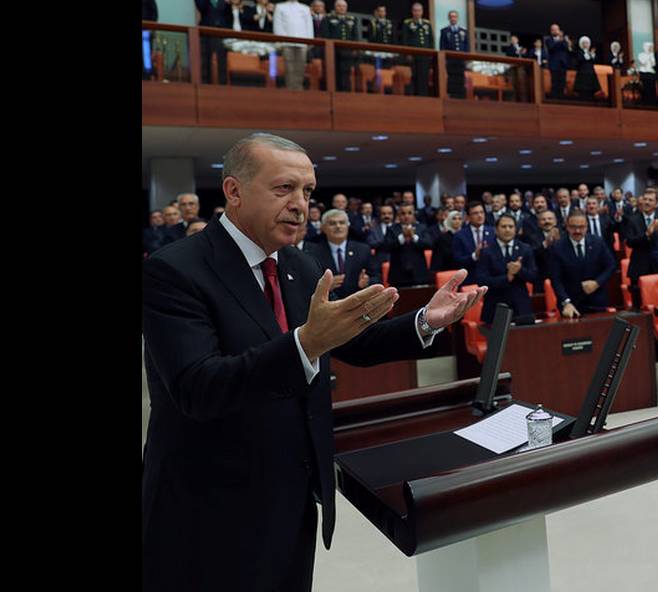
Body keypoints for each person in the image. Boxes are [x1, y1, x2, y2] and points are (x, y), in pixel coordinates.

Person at [141, 133, 484, 592]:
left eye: (307, 192)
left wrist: (425, 321)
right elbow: (198, 387)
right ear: (234, 191)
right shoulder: (174, 271)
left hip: (292, 496)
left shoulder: (298, 266)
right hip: (209, 507)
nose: (301, 204)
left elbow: (353, 341)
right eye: (284, 189)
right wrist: (304, 345)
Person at [548, 210, 617, 317]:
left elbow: (611, 266)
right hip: (571, 304)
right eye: (573, 227)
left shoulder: (597, 242)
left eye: (581, 227)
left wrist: (597, 283)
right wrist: (566, 302)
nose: (577, 230)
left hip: (597, 300)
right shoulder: (557, 247)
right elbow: (555, 279)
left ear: (587, 226)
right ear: (567, 226)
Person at [475, 214, 539, 323]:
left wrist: (520, 270)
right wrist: (506, 278)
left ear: (515, 229)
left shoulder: (525, 249)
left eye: (511, 226)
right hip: (495, 308)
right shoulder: (486, 252)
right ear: (496, 230)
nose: (507, 230)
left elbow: (534, 277)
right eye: (503, 227)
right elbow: (481, 281)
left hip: (521, 308)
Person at [308, 209, 378, 300]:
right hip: (328, 306)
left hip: (357, 304)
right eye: (332, 223)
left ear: (348, 226)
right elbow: (307, 283)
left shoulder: (363, 250)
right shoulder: (312, 253)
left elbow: (377, 278)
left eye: (342, 223)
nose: (338, 226)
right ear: (323, 228)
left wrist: (367, 282)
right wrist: (324, 287)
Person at [623, 190, 658, 309]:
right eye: (645, 199)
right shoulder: (632, 220)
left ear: (656, 204)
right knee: (638, 305)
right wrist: (646, 235)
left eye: (650, 200)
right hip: (639, 266)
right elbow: (629, 242)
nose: (647, 202)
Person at [272, 0, 312, 90]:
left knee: (301, 67)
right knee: (289, 67)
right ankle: (290, 88)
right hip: (286, 42)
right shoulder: (280, 6)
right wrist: (280, 40)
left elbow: (309, 26)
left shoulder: (305, 8)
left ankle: (298, 88)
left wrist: (310, 41)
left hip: (302, 42)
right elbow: (277, 24)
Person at [384, 204, 433, 286]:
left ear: (414, 215)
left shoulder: (422, 228)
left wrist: (414, 237)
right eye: (403, 213)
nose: (406, 216)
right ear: (398, 216)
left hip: (419, 273)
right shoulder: (392, 229)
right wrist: (402, 237)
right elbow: (386, 247)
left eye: (409, 213)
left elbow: (429, 244)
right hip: (398, 274)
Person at [193, 0, 229, 84]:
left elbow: (226, 15)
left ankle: (221, 83)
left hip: (220, 33)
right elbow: (202, 9)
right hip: (206, 33)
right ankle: (206, 82)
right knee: (206, 58)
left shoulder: (222, 0)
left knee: (221, 59)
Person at [319, 0, 362, 92]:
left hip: (347, 51)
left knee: (346, 73)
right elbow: (325, 35)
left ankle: (346, 93)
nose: (342, 8)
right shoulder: (328, 18)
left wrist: (355, 49)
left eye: (344, 6)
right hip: (333, 50)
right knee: (333, 72)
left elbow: (355, 36)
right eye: (339, 6)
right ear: (335, 7)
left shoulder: (352, 19)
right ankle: (333, 92)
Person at [451, 201, 496, 276]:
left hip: (490, 276)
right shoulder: (459, 235)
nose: (480, 215)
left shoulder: (493, 232)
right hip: (470, 276)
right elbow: (457, 260)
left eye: (482, 212)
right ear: (468, 217)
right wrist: (474, 256)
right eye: (475, 213)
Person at [400, 2, 434, 96]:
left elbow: (431, 40)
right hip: (413, 55)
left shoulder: (427, 24)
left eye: (419, 11)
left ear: (422, 12)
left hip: (425, 55)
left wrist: (431, 53)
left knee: (424, 77)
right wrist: (407, 53)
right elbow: (405, 39)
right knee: (413, 76)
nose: (417, 13)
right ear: (412, 12)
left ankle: (423, 96)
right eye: (415, 11)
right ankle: (413, 96)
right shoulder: (407, 23)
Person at [439, 10, 468, 99]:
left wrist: (466, 57)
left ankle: (461, 96)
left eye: (455, 16)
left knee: (461, 78)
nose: (453, 18)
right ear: (449, 18)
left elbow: (466, 45)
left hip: (460, 60)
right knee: (451, 78)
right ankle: (452, 95)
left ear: (457, 18)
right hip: (450, 60)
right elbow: (442, 46)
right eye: (451, 16)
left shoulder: (463, 31)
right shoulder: (444, 31)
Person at [544, 24, 572, 99]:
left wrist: (563, 40)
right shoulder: (548, 39)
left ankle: (562, 98)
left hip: (563, 63)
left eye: (556, 29)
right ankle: (554, 98)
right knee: (554, 82)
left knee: (562, 82)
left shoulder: (563, 40)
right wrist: (559, 41)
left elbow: (566, 48)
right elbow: (551, 48)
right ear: (551, 31)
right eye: (553, 29)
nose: (555, 31)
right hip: (554, 64)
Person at [574, 36, 602, 100]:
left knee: (591, 88)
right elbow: (580, 59)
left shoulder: (591, 52)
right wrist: (589, 55)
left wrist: (592, 55)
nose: (585, 45)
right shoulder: (579, 52)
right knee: (583, 89)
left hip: (591, 71)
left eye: (586, 43)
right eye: (583, 43)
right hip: (582, 71)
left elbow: (595, 60)